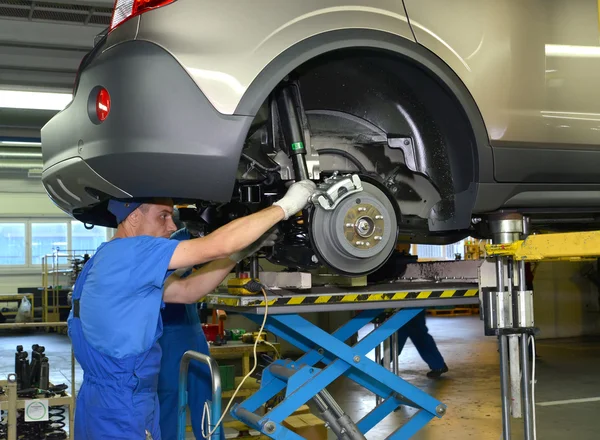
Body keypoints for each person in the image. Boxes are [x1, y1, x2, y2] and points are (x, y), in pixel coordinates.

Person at [67, 179, 315, 440]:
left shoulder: (109, 259)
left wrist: (237, 256)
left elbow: (187, 292)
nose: (172, 226)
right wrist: (286, 205)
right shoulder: (132, 252)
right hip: (124, 406)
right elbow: (218, 244)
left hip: (99, 403)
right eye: (163, 216)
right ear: (133, 217)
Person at [396, 310, 449, 378]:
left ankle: (438, 365)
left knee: (416, 334)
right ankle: (438, 364)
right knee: (414, 334)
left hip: (409, 305)